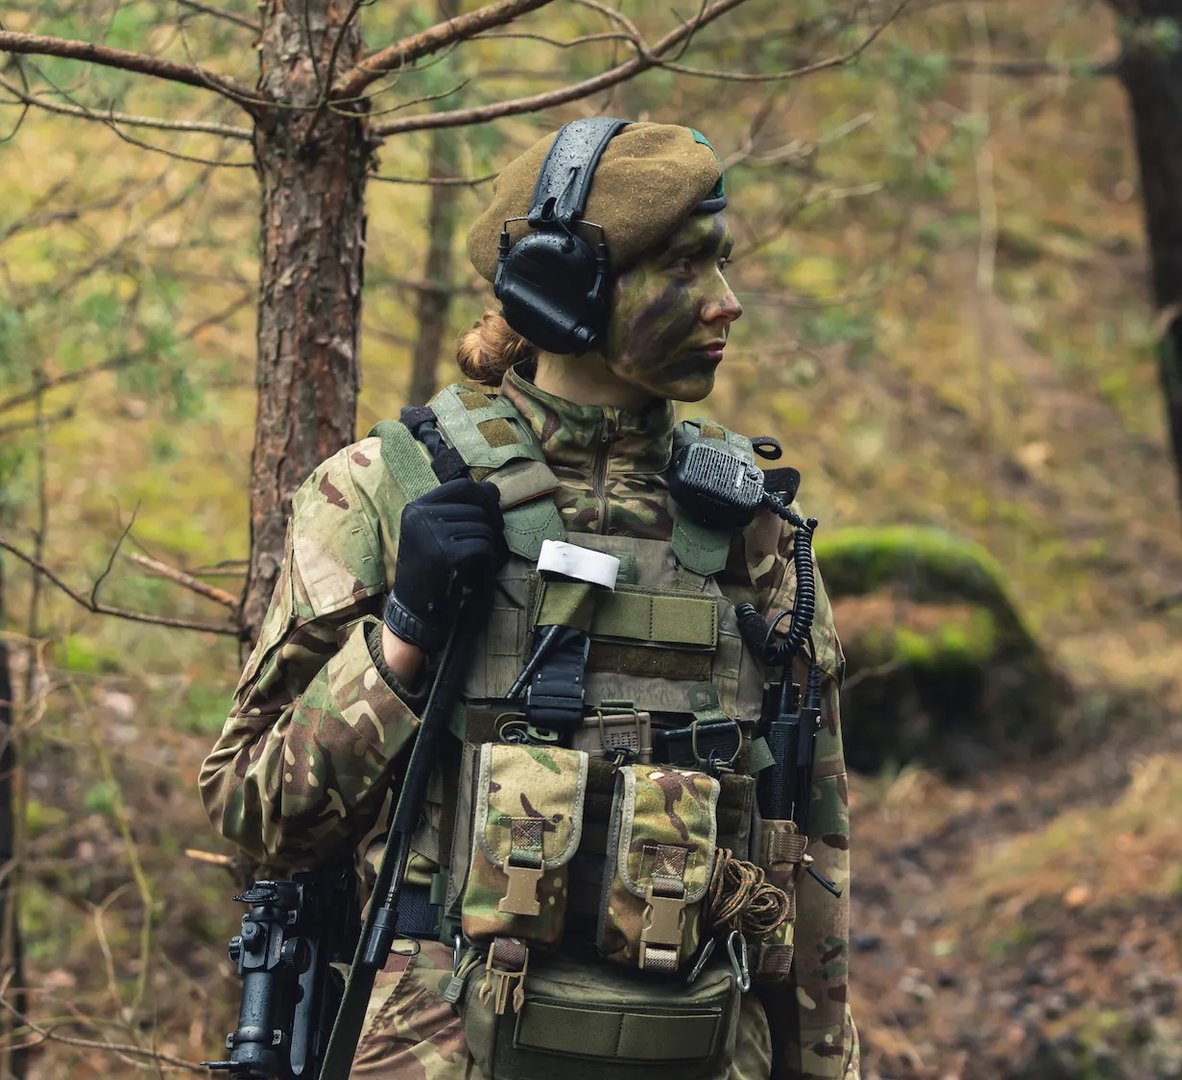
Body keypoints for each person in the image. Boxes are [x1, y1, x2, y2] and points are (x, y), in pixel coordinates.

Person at [199, 119, 858, 1079]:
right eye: (684, 268)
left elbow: (814, 867)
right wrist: (403, 638)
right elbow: (255, 809)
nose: (727, 302)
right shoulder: (384, 490)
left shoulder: (755, 529)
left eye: (721, 265)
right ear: (564, 287)